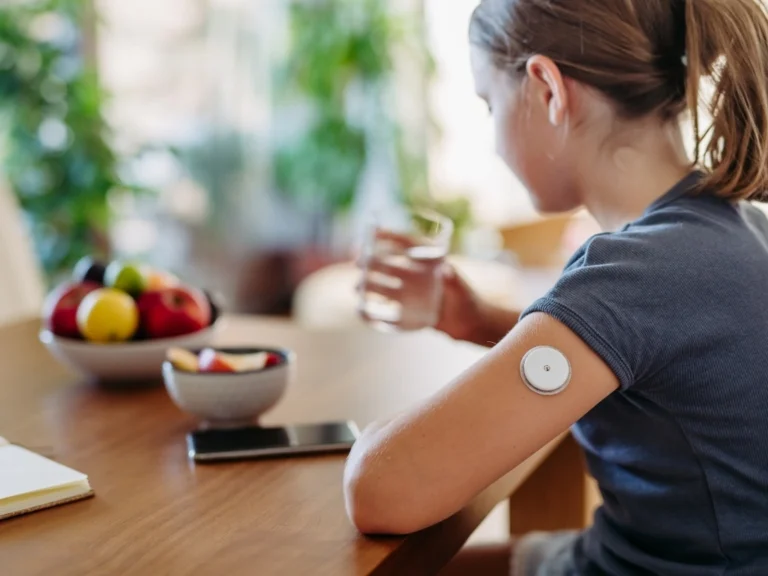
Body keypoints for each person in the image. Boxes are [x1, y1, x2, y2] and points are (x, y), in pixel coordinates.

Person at [343, 0, 768, 574]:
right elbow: (651, 354)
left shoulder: (636, 272)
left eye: (489, 103)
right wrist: (482, 321)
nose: (493, 140)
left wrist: (378, 435)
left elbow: (382, 490)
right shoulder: (737, 224)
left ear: (547, 89)